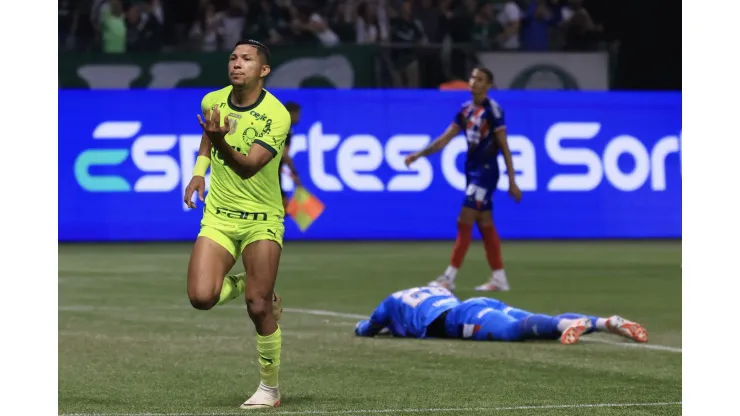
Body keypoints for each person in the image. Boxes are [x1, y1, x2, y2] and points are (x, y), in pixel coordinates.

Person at [182, 39, 291, 409]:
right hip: (219, 216)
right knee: (201, 297)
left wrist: (220, 143)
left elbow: (248, 166)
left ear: (263, 70)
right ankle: (256, 283)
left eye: (247, 59)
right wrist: (199, 172)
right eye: (233, 57)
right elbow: (206, 142)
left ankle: (269, 390)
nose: (237, 64)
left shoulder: (276, 115)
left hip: (262, 219)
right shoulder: (212, 100)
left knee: (258, 308)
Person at [405, 67, 521, 293]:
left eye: (480, 79)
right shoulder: (465, 111)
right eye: (473, 78)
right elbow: (443, 140)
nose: (474, 82)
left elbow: (504, 146)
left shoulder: (493, 111)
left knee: (464, 219)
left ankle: (448, 277)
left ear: (488, 85)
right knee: (485, 223)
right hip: (472, 171)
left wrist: (512, 180)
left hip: (486, 173)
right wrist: (418, 154)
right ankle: (499, 278)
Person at [355, 287, 648, 345]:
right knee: (536, 318)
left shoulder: (391, 302)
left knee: (511, 331)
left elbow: (368, 327)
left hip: (455, 319)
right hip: (476, 302)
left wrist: (363, 329)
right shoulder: (431, 290)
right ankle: (602, 322)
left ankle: (570, 325)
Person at [280, 101, 302, 212]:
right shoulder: (285, 129)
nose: (299, 117)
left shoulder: (281, 127)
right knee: (282, 208)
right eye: (298, 114)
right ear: (291, 114)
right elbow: (283, 154)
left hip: (274, 174)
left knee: (283, 208)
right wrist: (294, 172)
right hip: (272, 177)